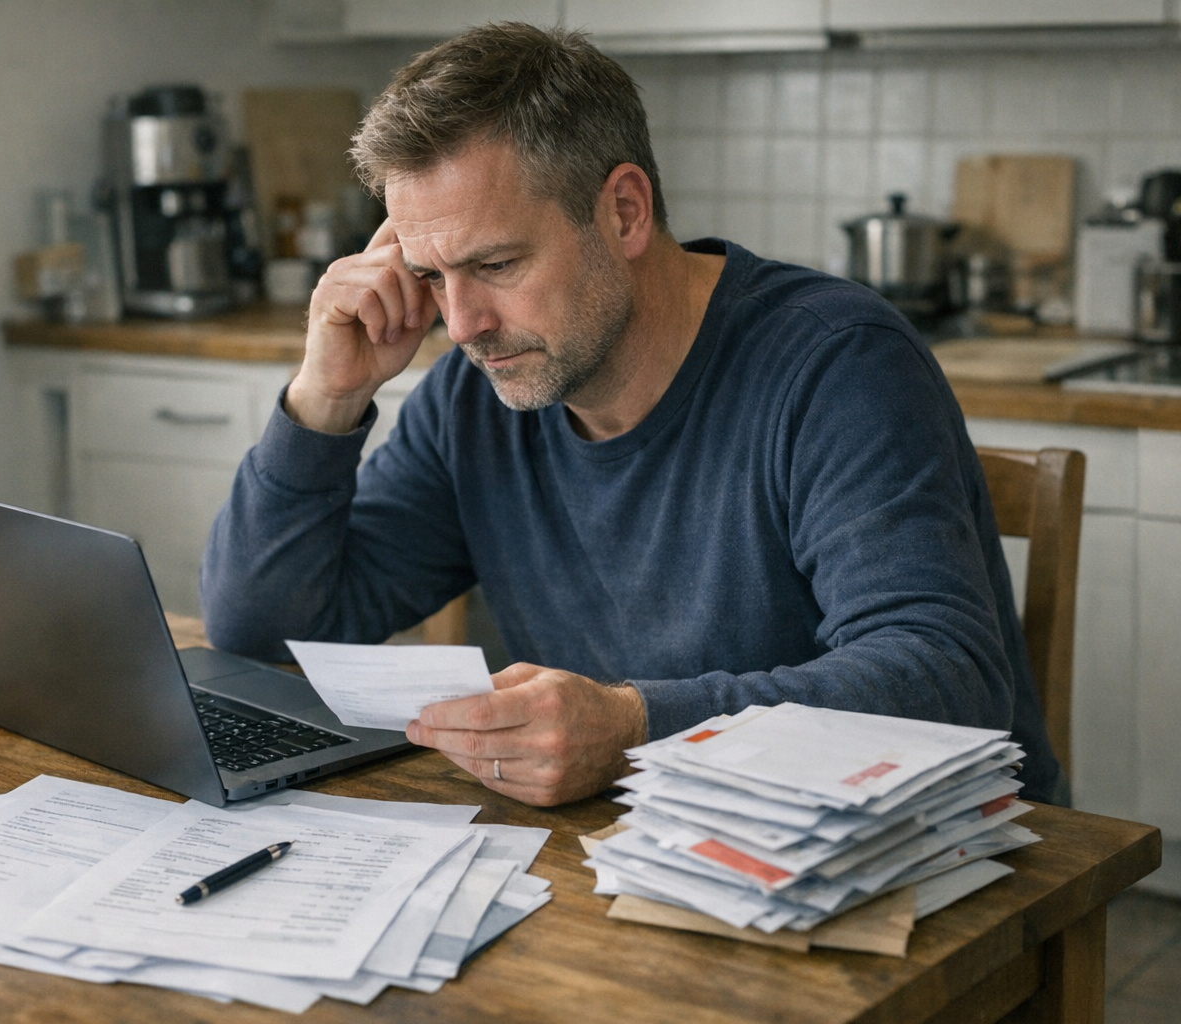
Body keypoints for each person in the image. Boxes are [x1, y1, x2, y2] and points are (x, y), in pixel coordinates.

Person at [201, 22, 1064, 808]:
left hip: (914, 858)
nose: (460, 325)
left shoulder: (837, 362)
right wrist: (326, 398)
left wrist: (631, 728)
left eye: (496, 263)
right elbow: (262, 631)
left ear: (623, 211)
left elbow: (946, 683)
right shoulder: (482, 391)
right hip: (640, 850)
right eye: (430, 276)